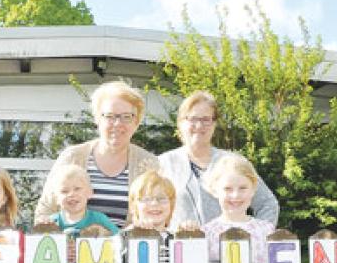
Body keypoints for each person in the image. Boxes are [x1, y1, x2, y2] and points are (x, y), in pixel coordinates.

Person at [35, 81, 160, 226]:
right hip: (72, 246)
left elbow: (160, 215)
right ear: (97, 119)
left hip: (128, 247)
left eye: (126, 116)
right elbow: (45, 212)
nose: (118, 123)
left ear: (136, 122)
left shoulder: (148, 164)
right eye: (110, 116)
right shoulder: (72, 157)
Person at [158, 91, 278, 230]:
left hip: (229, 249)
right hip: (181, 247)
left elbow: (268, 203)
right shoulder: (163, 164)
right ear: (180, 122)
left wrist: (256, 235)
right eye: (192, 119)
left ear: (214, 123)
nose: (199, 125)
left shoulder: (234, 162)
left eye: (205, 119)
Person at [201, 153, 276, 263]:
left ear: (253, 189)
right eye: (227, 189)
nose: (235, 195)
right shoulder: (207, 233)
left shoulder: (266, 230)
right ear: (215, 190)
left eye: (243, 188)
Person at [47, 164, 120, 236]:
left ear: (89, 192)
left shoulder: (99, 219)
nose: (71, 194)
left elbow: (119, 239)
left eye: (77, 189)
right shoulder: (51, 223)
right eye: (64, 191)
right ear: (56, 198)